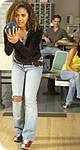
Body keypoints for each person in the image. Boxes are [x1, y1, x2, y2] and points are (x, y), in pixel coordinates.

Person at [4, 1, 43, 149]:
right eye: (16, 15)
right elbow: (8, 52)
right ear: (12, 16)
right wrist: (10, 38)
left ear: (29, 16)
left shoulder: (36, 30)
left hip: (34, 65)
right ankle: (19, 130)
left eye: (23, 15)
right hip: (18, 65)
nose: (19, 18)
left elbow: (29, 54)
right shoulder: (8, 28)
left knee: (30, 100)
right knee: (17, 98)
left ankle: (28, 136)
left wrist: (17, 42)